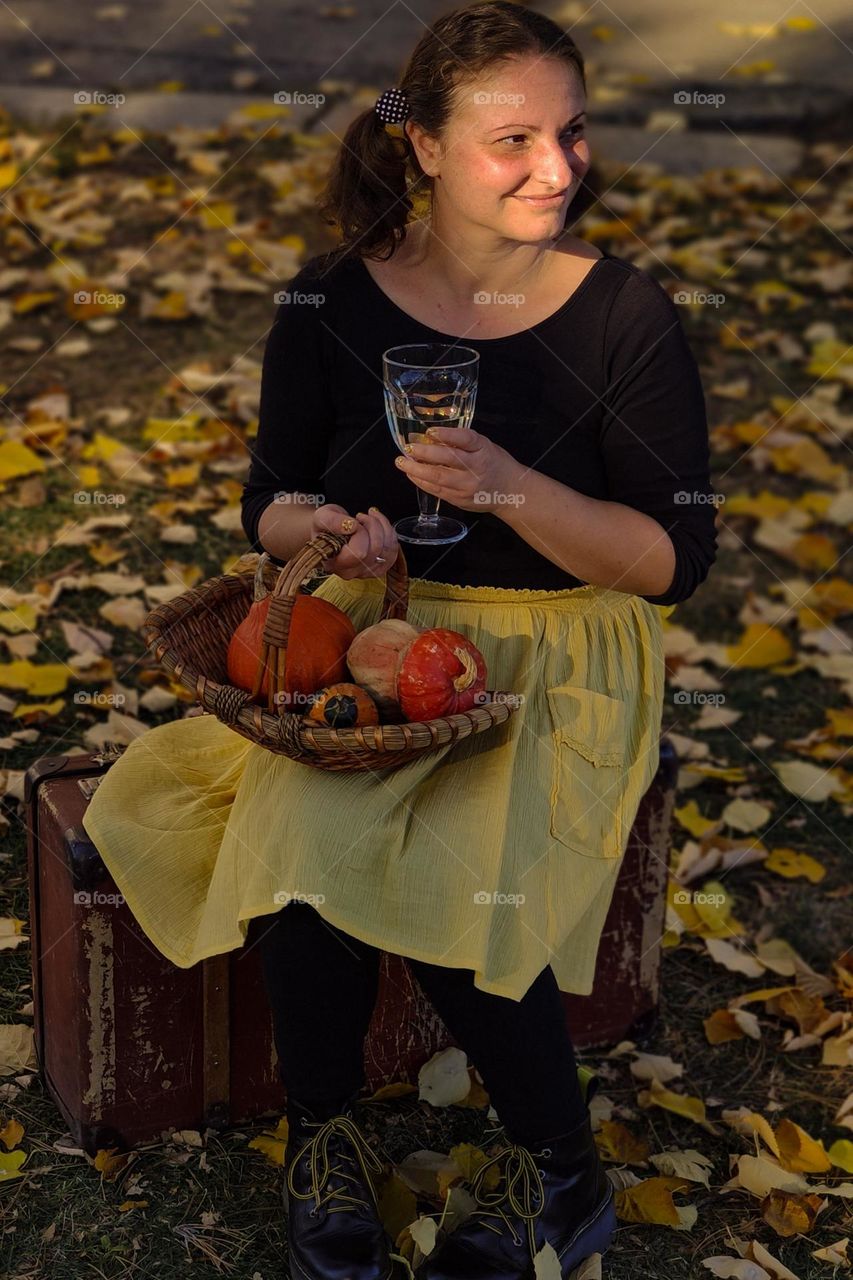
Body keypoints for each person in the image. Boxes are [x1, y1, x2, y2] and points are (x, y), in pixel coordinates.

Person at [82, 2, 718, 1277]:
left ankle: (559, 1167)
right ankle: (324, 1132)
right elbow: (267, 506)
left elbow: (670, 561)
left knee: (456, 882)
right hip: (379, 640)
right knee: (305, 848)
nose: (559, 168)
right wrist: (330, 532)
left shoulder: (623, 317)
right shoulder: (327, 300)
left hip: (556, 655)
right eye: (513, 139)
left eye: (572, 132)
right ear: (422, 147)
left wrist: (508, 491)